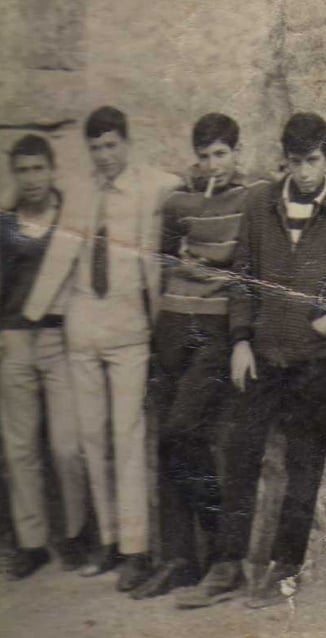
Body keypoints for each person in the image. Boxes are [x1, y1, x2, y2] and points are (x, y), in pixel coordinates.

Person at [175, 112, 326, 609]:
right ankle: (226, 565)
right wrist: (241, 339)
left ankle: (285, 567)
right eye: (296, 162)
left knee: (304, 465)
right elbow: (243, 276)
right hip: (263, 354)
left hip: (318, 362)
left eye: (313, 161)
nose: (304, 173)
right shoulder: (261, 203)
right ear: (285, 159)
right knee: (240, 456)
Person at [23, 106, 180, 591]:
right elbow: (60, 255)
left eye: (112, 145)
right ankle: (108, 540)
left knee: (127, 438)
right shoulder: (80, 191)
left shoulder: (150, 186)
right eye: (96, 147)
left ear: (126, 143)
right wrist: (32, 314)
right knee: (92, 439)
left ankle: (135, 549)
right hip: (83, 330)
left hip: (129, 330)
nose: (104, 155)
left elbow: (180, 186)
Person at [130, 113, 268, 600]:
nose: (213, 165)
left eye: (221, 154)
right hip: (172, 321)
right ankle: (178, 559)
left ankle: (222, 544)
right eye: (205, 156)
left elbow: (253, 265)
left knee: (183, 430)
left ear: (236, 152)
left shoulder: (253, 196)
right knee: (165, 440)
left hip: (215, 326)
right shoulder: (177, 201)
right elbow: (165, 260)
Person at [0, 134, 87, 579]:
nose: (32, 178)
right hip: (13, 338)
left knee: (67, 445)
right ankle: (32, 543)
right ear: (13, 175)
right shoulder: (4, 223)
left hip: (58, 338)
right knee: (20, 448)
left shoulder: (71, 215)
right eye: (23, 170)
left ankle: (76, 533)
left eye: (38, 168)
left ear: (52, 170)